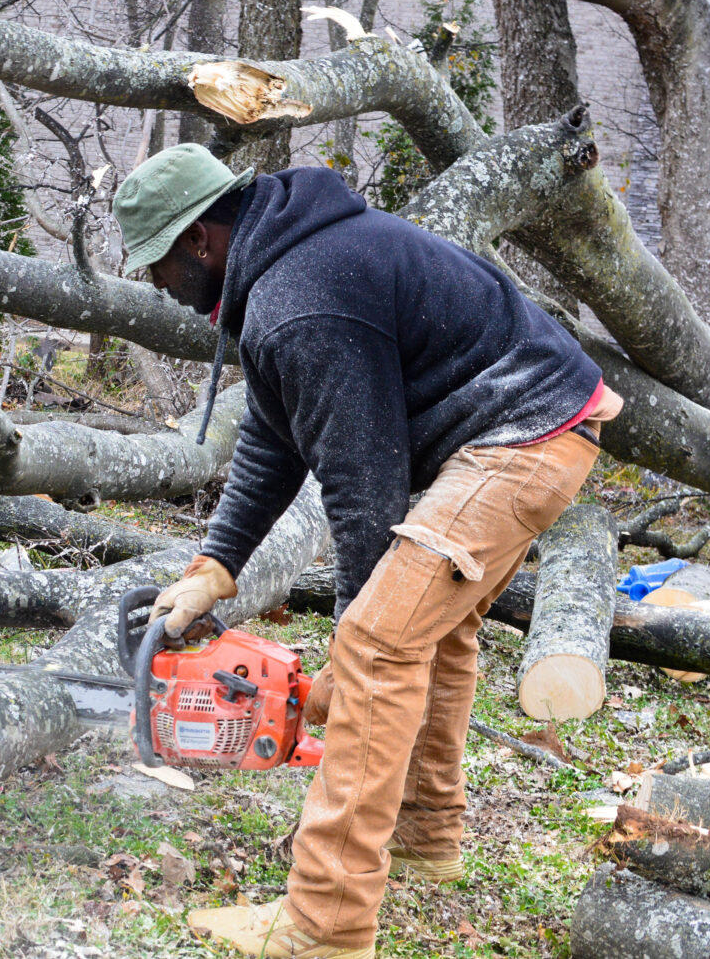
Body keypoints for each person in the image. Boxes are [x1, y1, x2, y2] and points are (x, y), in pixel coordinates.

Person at [112, 144, 620, 959]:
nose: (158, 286)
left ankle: (326, 925)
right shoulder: (283, 275)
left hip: (522, 434)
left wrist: (352, 640)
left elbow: (363, 490)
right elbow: (276, 439)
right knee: (434, 628)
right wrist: (218, 564)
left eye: (159, 267)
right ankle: (424, 834)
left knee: (383, 639)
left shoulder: (300, 296)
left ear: (200, 241)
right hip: (534, 424)